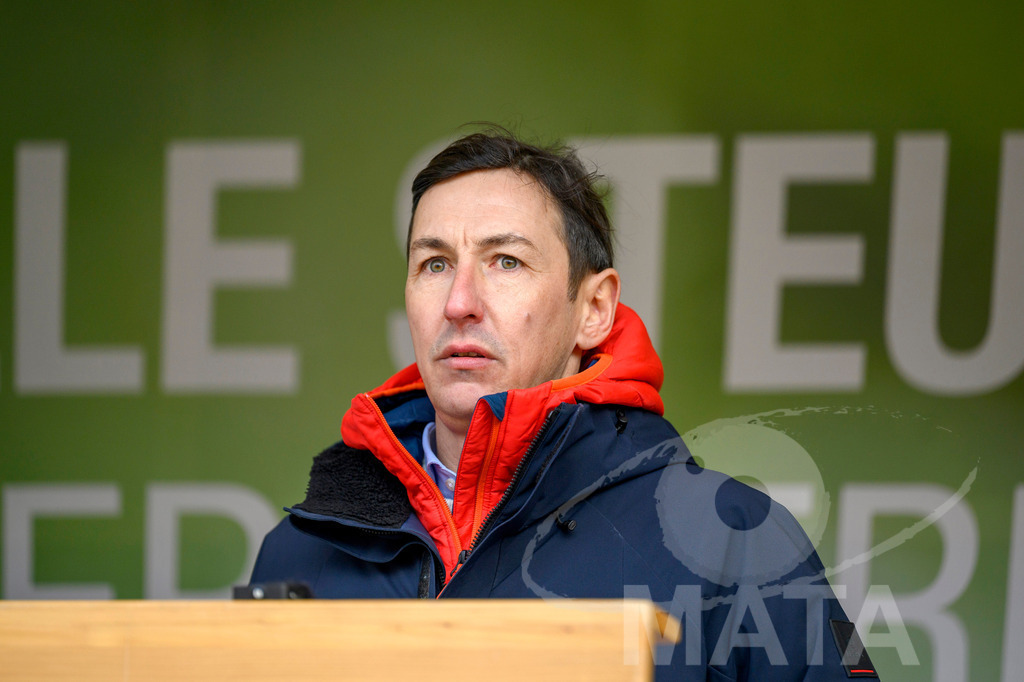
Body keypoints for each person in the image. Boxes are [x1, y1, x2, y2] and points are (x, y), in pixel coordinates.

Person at [250, 128, 877, 680]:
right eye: (434, 264)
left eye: (506, 261)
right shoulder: (297, 552)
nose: (459, 302)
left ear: (594, 309)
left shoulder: (739, 541)